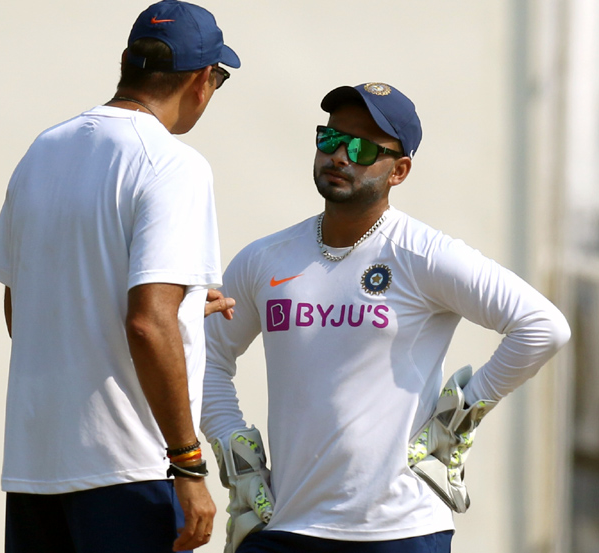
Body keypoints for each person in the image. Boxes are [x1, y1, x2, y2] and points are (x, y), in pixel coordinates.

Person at [200, 82, 571, 553]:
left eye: (361, 148)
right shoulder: (264, 259)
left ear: (399, 171)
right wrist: (235, 451)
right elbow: (207, 357)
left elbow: (543, 326)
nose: (339, 156)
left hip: (402, 530)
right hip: (286, 525)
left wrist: (459, 418)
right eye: (330, 139)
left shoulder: (423, 254)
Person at [0, 1, 239, 552]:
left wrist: (185, 313)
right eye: (219, 80)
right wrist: (189, 466)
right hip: (130, 474)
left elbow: (25, 306)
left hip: (35, 470)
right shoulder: (173, 163)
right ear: (201, 81)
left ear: (127, 61)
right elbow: (148, 323)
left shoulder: (42, 150)